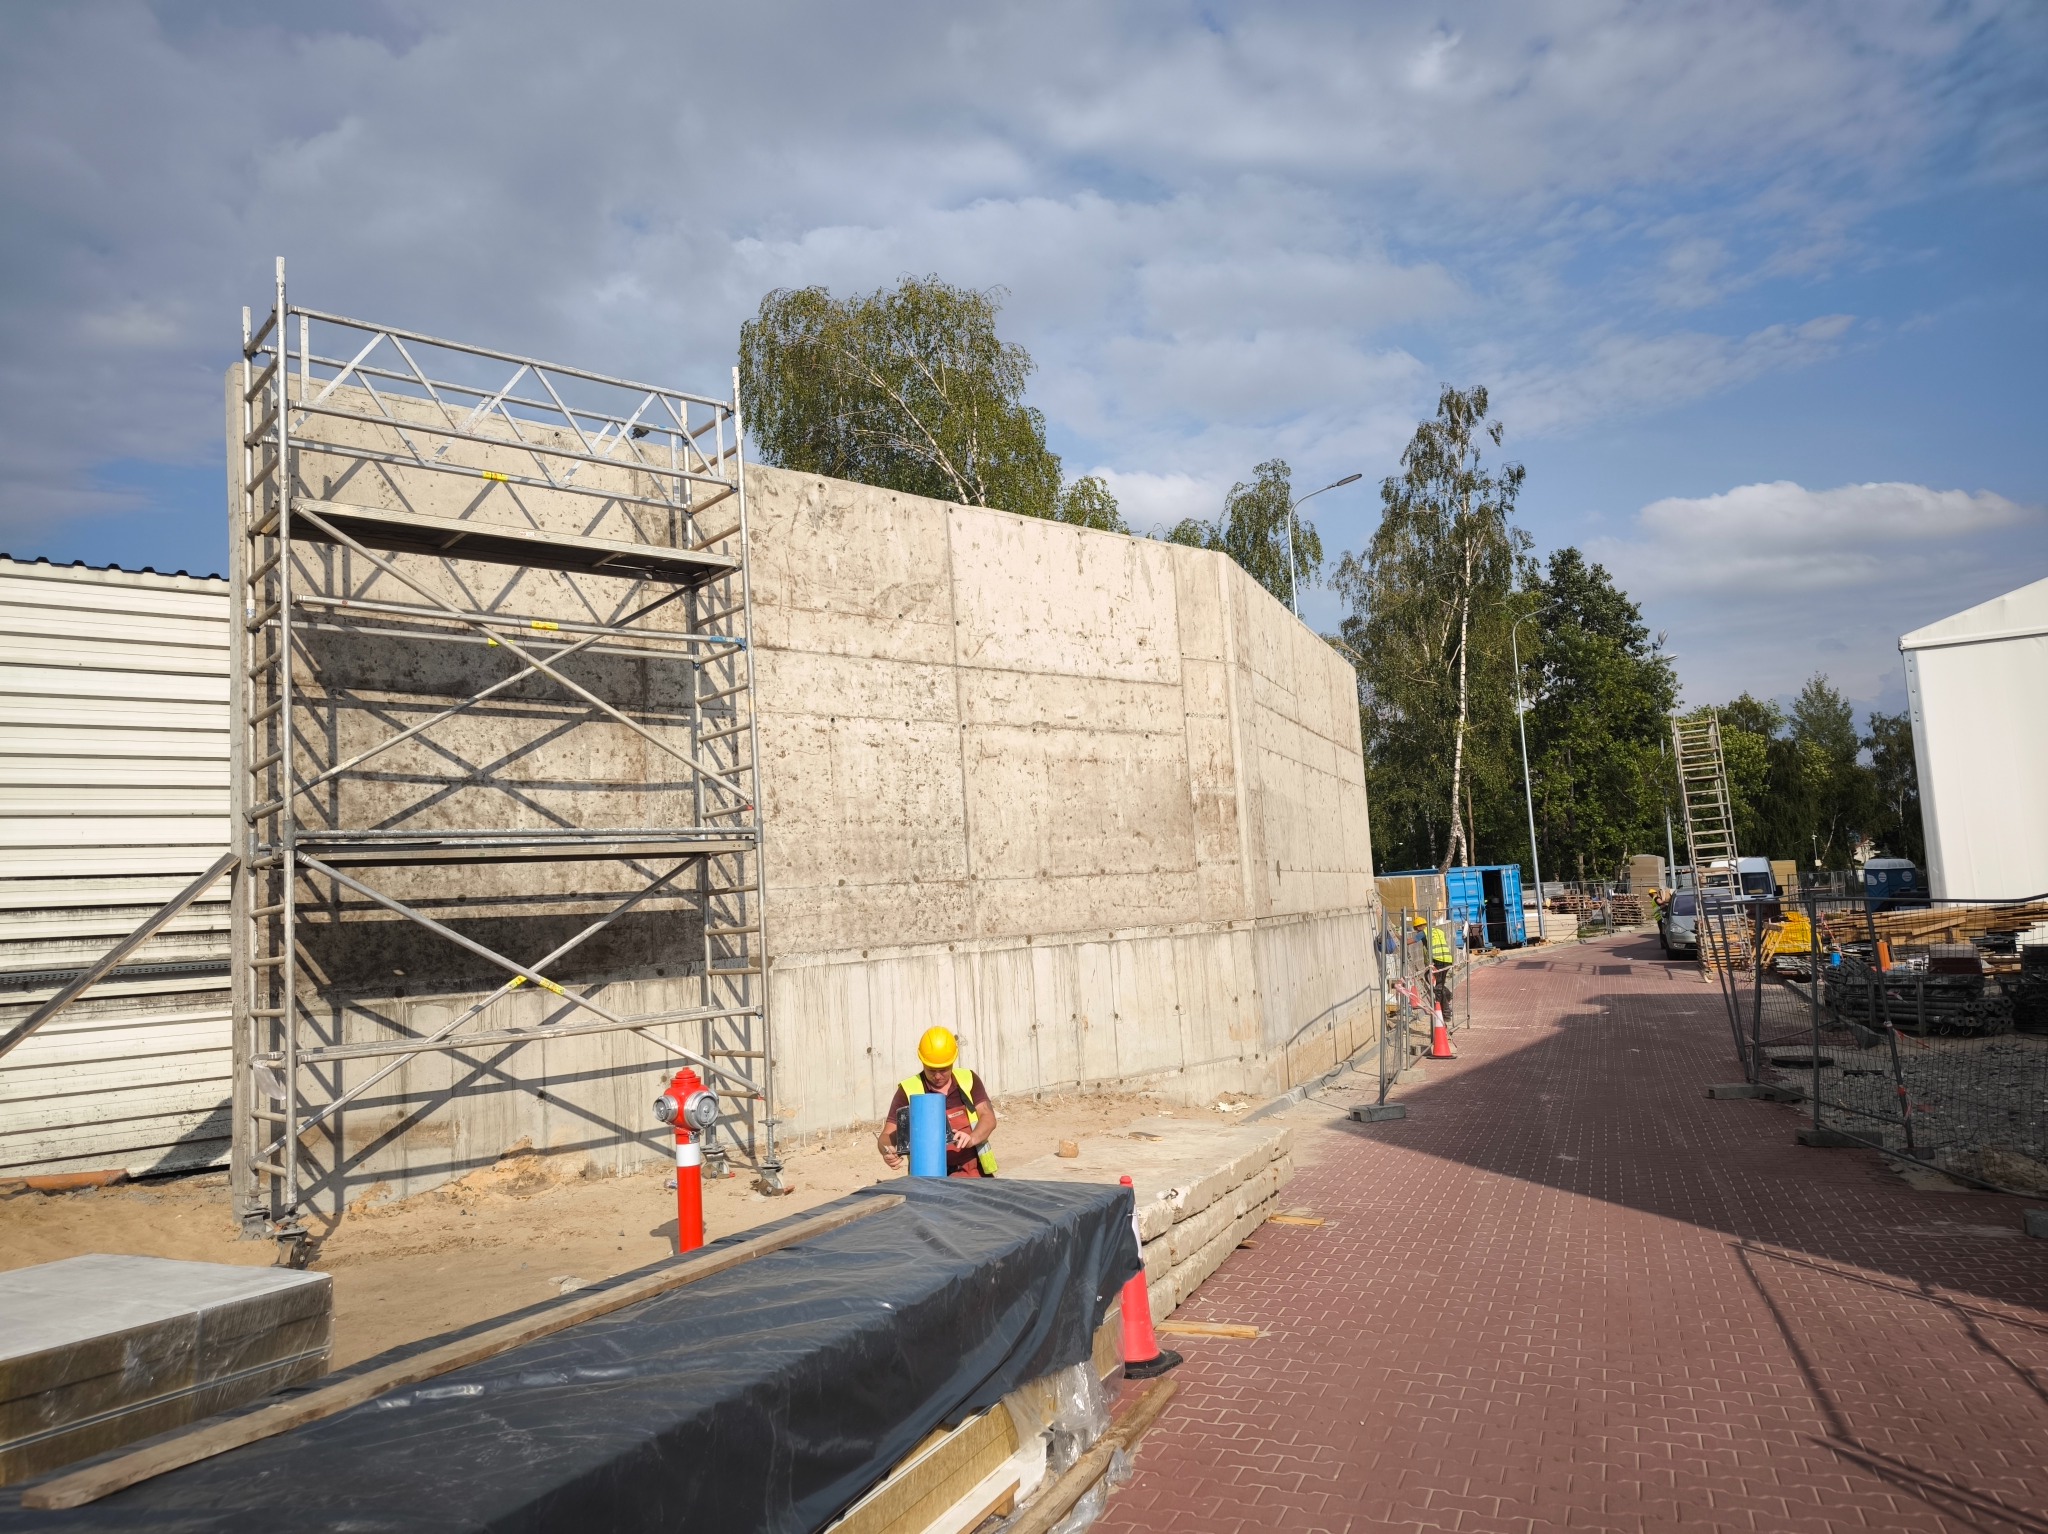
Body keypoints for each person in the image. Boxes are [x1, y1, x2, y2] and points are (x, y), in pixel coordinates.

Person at [877, 1026, 999, 1177]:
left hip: (973, 1173)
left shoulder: (968, 1080)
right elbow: (887, 1135)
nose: (938, 1076)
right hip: (929, 1177)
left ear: (953, 1062)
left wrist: (972, 1138)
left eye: (943, 1070)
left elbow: (988, 1117)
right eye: (931, 1070)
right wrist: (886, 1150)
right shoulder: (908, 1090)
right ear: (922, 1062)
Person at [1411, 913, 1456, 1020]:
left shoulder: (1423, 932)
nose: (1417, 931)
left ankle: (1445, 1012)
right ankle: (1448, 994)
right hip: (1447, 959)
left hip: (1438, 960)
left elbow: (1409, 941)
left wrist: (1398, 936)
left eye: (1417, 929)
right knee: (1437, 982)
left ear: (1418, 927)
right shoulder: (1438, 931)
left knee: (1438, 986)